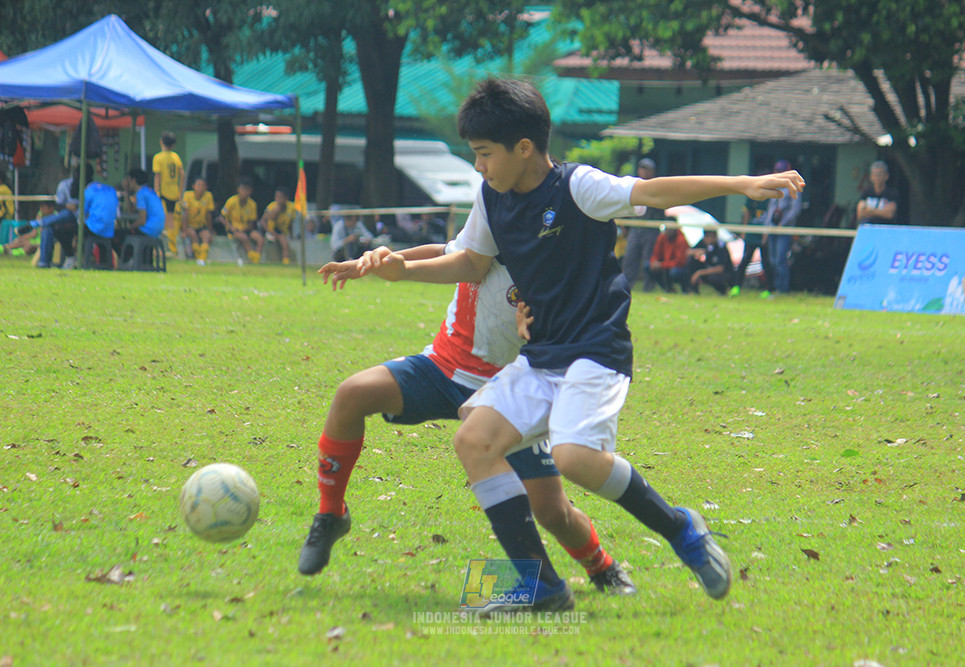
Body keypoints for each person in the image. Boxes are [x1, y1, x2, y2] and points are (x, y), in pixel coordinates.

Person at [325, 78, 805, 612]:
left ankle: (680, 528)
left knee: (576, 458)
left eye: (485, 154)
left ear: (524, 148)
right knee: (474, 441)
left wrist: (741, 183)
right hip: (540, 356)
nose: (479, 167)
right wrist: (401, 270)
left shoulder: (577, 187)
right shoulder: (492, 197)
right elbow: (470, 262)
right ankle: (546, 589)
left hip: (595, 352)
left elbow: (652, 192)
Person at [302, 238, 637, 598]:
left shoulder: (555, 256)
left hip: (506, 394)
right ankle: (330, 514)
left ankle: (601, 566)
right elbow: (448, 251)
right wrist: (384, 261)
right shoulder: (496, 218)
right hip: (442, 367)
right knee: (351, 394)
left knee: (554, 512)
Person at [54, 173, 118, 270]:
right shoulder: (111, 190)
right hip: (109, 230)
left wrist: (76, 237)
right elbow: (118, 214)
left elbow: (81, 216)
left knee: (59, 229)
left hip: (94, 228)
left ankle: (71, 256)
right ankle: (102, 262)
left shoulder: (88, 192)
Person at [621, 157, 664, 292]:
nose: (645, 172)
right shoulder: (633, 185)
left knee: (648, 260)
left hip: (651, 229)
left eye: (648, 169)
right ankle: (626, 286)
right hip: (635, 228)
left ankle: (648, 286)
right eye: (642, 168)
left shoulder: (657, 186)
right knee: (630, 258)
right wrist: (625, 226)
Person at [762, 159, 804, 294]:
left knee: (781, 259)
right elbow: (770, 209)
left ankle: (782, 289)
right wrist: (767, 228)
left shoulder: (794, 187)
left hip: (785, 229)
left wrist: (783, 223)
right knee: (772, 260)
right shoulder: (774, 186)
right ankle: (774, 287)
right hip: (772, 229)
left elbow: (795, 210)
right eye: (778, 171)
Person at [730, 186, 773, 298]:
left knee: (766, 262)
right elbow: (747, 212)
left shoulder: (771, 198)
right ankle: (736, 286)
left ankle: (769, 289)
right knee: (745, 259)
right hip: (752, 233)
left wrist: (766, 234)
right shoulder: (752, 196)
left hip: (764, 233)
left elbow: (771, 215)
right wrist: (744, 230)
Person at [152, 131, 185, 255]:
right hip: (174, 193)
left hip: (163, 193)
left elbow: (157, 176)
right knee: (171, 220)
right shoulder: (176, 157)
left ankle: (162, 249)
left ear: (161, 142)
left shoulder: (158, 158)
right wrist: (180, 192)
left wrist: (156, 193)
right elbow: (182, 174)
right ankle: (172, 247)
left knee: (162, 220)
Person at [118, 168, 165, 254]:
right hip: (158, 228)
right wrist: (126, 191)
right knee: (127, 232)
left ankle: (127, 261)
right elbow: (131, 211)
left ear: (134, 180)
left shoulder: (141, 194)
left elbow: (142, 220)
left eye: (128, 180)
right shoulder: (148, 191)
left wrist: (130, 227)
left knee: (120, 235)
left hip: (149, 228)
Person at [220, 177, 263, 264]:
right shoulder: (231, 201)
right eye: (243, 189)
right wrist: (230, 227)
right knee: (244, 238)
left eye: (247, 190)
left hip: (246, 229)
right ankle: (252, 257)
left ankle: (257, 257)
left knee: (260, 239)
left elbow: (252, 221)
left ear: (250, 191)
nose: (245, 192)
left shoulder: (252, 204)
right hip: (234, 229)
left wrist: (246, 228)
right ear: (238, 189)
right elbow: (221, 217)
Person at [686, 228, 735, 295]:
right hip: (707, 270)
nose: (711, 239)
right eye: (709, 237)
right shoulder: (703, 243)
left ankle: (724, 290)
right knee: (691, 262)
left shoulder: (721, 246)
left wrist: (700, 273)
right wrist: (696, 252)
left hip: (723, 273)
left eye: (713, 237)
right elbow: (688, 252)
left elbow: (720, 268)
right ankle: (692, 290)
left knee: (713, 278)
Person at [180, 177, 216, 265]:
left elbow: (208, 215)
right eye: (198, 185)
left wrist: (210, 229)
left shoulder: (208, 196)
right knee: (193, 235)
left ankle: (202, 259)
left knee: (206, 237)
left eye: (203, 185)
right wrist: (184, 230)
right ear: (193, 186)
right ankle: (196, 257)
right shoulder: (187, 195)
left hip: (201, 226)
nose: (201, 188)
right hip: (190, 226)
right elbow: (185, 214)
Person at [647, 224, 690, 293]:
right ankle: (668, 288)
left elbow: (680, 262)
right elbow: (656, 253)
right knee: (648, 266)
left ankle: (685, 288)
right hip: (666, 264)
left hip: (679, 267)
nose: (668, 231)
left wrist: (662, 265)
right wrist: (654, 262)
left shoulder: (681, 240)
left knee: (674, 272)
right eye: (666, 229)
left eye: (670, 229)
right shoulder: (662, 237)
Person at [259, 186, 295, 265]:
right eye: (276, 197)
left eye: (280, 197)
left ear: (286, 198)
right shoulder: (272, 207)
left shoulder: (291, 207)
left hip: (281, 230)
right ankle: (257, 259)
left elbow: (290, 223)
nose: (277, 199)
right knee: (282, 242)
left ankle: (286, 262)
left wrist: (291, 235)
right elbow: (263, 221)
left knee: (285, 243)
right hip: (270, 229)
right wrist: (270, 231)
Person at [855, 160, 898, 226]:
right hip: (868, 229)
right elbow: (860, 214)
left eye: (880, 174)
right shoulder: (866, 193)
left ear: (886, 176)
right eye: (875, 174)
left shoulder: (892, 193)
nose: (878, 177)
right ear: (871, 177)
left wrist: (870, 211)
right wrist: (881, 212)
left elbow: (889, 214)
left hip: (886, 229)